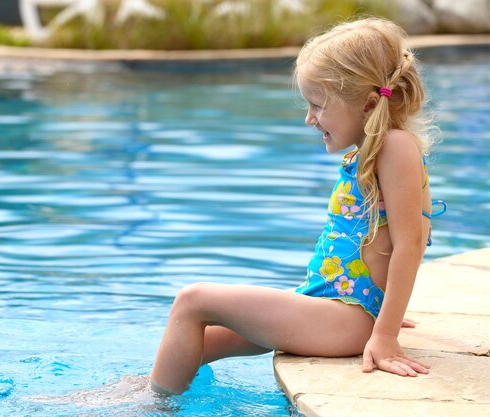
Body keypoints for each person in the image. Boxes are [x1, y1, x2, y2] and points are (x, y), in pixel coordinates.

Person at [150, 17, 446, 395]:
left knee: (192, 301)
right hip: (327, 302)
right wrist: (386, 306)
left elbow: (411, 242)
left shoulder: (395, 147)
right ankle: (139, 392)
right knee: (198, 341)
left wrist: (384, 331)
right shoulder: (376, 150)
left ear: (369, 102)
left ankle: (151, 406)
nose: (309, 118)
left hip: (345, 318)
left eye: (318, 105)